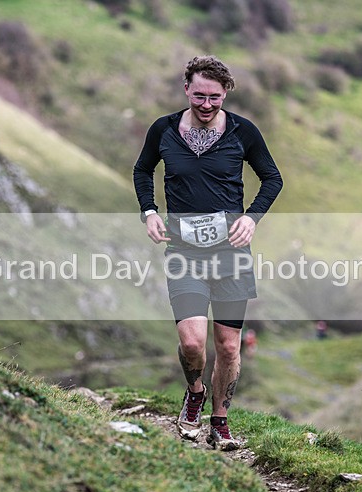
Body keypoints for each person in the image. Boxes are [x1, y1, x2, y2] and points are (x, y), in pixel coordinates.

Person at [133, 56, 283, 451]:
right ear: (186, 88)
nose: (206, 104)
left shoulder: (242, 132)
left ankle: (220, 421)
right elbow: (143, 170)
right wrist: (149, 211)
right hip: (184, 252)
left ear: (226, 93)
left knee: (229, 347)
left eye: (214, 97)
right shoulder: (164, 130)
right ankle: (195, 392)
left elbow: (272, 178)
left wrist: (251, 218)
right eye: (199, 95)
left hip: (231, 254)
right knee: (193, 343)